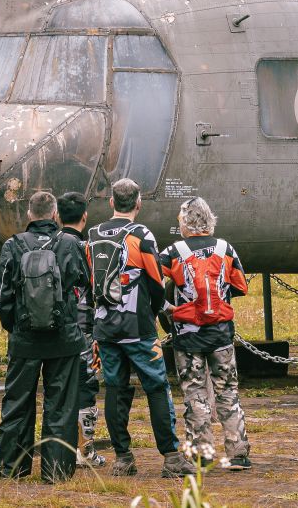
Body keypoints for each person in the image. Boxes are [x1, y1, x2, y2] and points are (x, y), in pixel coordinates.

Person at [88, 178, 195, 479]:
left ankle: (123, 458)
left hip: (105, 327)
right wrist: (157, 310)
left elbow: (90, 279)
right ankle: (171, 458)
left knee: (115, 388)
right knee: (156, 387)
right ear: (138, 203)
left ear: (111, 202)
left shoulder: (93, 235)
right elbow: (156, 281)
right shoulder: (141, 235)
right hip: (138, 326)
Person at [0, 191, 92, 482]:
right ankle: (57, 471)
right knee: (61, 404)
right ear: (54, 214)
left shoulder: (13, 245)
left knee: (18, 402)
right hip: (64, 339)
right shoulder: (71, 243)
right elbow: (84, 282)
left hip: (25, 340)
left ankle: (12, 467)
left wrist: (16, 327)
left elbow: (2, 296)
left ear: (28, 214)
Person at [158, 196, 253, 471]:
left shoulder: (174, 251)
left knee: (195, 393)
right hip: (221, 333)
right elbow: (241, 286)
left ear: (186, 222)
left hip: (187, 335)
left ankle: (202, 453)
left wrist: (166, 306)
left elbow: (151, 279)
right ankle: (238, 453)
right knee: (228, 391)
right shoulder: (225, 248)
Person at [55, 191, 106, 468]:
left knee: (58, 387)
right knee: (86, 385)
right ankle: (85, 449)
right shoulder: (87, 248)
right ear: (84, 217)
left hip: (53, 327)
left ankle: (59, 446)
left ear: (57, 216)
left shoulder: (47, 244)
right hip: (83, 328)